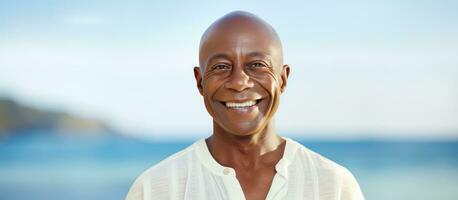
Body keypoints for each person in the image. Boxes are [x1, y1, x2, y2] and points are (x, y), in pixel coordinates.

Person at [125, 11, 364, 200]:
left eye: (257, 65)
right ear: (200, 82)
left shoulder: (333, 186)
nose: (239, 82)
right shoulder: (156, 189)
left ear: (283, 79)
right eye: (221, 66)